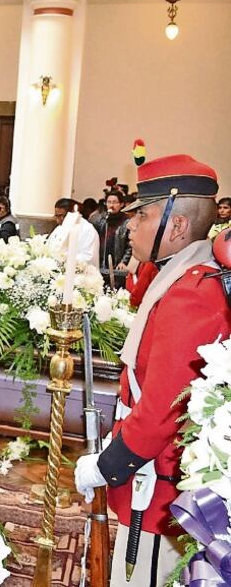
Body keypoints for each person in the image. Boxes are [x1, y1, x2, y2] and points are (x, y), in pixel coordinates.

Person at [75, 154, 231, 586]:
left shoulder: (193, 292)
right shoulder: (179, 276)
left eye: (142, 215)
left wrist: (109, 464)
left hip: (158, 488)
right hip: (149, 471)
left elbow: (164, 405)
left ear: (177, 227)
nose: (130, 226)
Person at [92, 189, 132, 288]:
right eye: (109, 202)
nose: (111, 205)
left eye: (115, 202)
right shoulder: (100, 220)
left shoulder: (127, 222)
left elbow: (130, 245)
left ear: (121, 204)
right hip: (101, 263)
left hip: (117, 264)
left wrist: (124, 261)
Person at [49, 198, 100, 265]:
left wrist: (63, 257)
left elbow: (89, 258)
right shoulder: (59, 229)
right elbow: (50, 248)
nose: (58, 220)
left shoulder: (88, 230)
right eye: (56, 216)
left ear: (71, 214)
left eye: (61, 216)